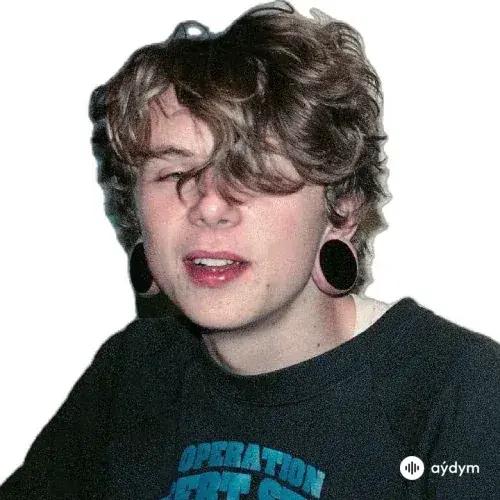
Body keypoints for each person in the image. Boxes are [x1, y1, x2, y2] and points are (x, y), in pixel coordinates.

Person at [1, 1, 499, 498]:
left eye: (254, 171)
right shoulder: (132, 372)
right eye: (175, 173)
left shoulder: (462, 392)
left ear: (341, 210)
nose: (210, 205)